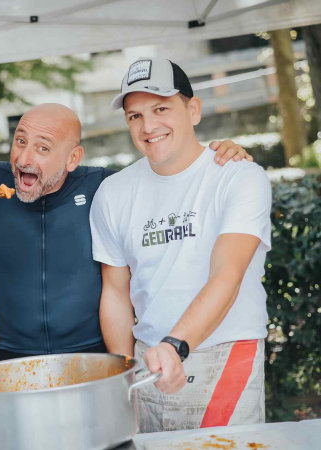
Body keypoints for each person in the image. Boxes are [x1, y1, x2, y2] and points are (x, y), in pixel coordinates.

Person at [0, 103, 252, 361]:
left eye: (43, 148)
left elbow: (169, 176)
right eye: (20, 141)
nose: (24, 157)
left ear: (73, 157)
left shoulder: (105, 187)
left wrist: (219, 153)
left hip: (96, 356)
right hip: (14, 356)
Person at [89, 57, 271, 432]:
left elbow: (228, 275)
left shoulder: (239, 177)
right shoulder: (113, 192)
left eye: (160, 109)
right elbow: (115, 294)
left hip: (225, 355)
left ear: (193, 109)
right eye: (134, 115)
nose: (148, 125)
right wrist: (123, 371)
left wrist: (175, 347)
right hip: (147, 362)